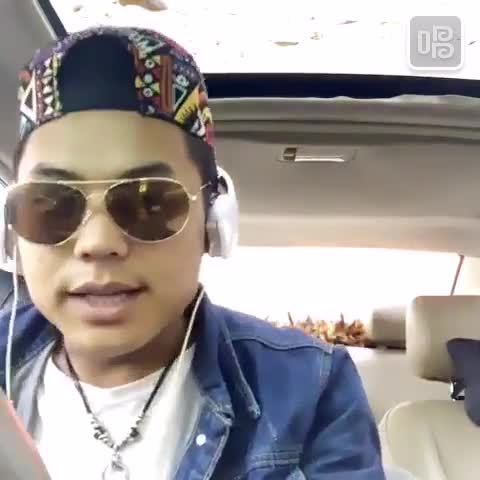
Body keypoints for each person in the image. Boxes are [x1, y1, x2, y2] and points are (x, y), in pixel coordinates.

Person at [0, 26, 385, 479]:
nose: (98, 243)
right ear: (12, 233)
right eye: (50, 204)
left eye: (150, 202)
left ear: (213, 224)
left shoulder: (310, 388)